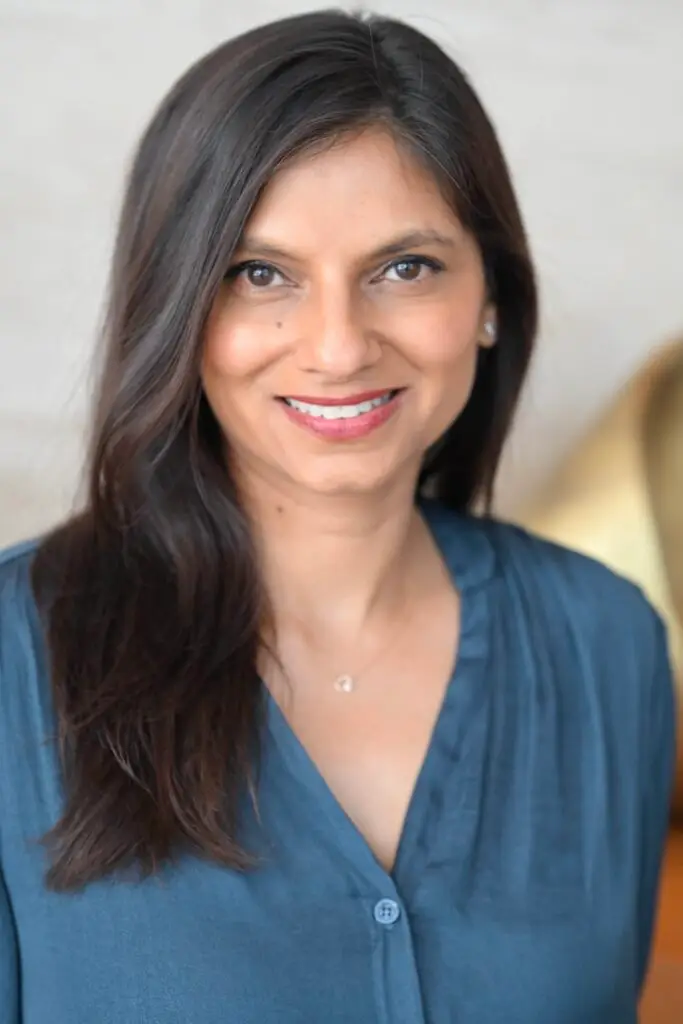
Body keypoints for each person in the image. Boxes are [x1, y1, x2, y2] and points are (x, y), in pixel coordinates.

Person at [0, 10, 675, 1024]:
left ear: (487, 295)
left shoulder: (604, 646)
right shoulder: (13, 658)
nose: (335, 346)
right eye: (259, 273)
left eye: (403, 267)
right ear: (179, 306)